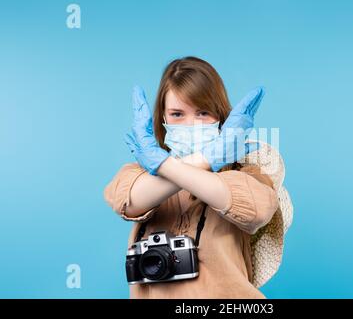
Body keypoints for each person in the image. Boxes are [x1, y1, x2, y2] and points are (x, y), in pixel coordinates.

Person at [104, 56, 293, 298]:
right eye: (177, 114)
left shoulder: (245, 172)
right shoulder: (138, 173)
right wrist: (205, 159)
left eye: (203, 113)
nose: (191, 125)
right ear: (162, 118)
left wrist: (167, 163)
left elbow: (258, 210)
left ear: (220, 116)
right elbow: (129, 202)